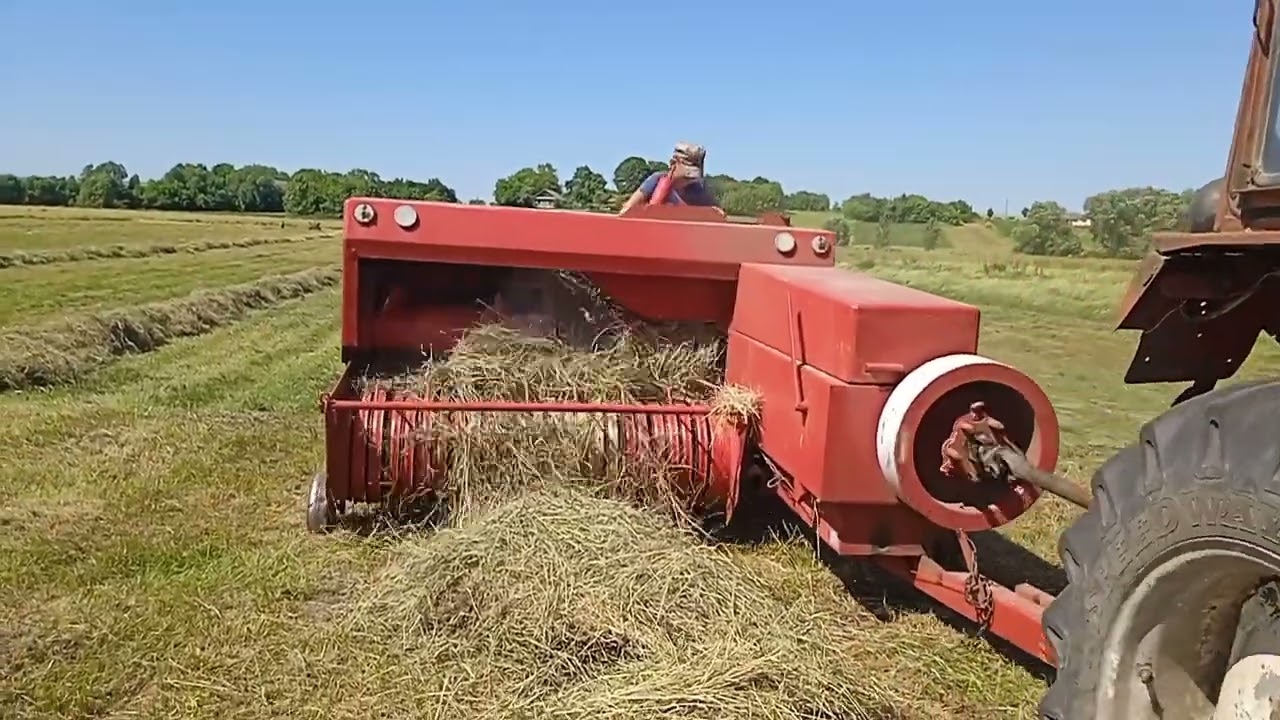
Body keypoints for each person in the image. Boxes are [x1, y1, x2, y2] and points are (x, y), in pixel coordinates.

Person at [618, 142, 718, 214]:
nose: (690, 179)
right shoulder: (656, 180)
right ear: (673, 164)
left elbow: (715, 213)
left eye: (693, 176)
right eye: (686, 175)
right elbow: (627, 209)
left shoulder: (697, 189)